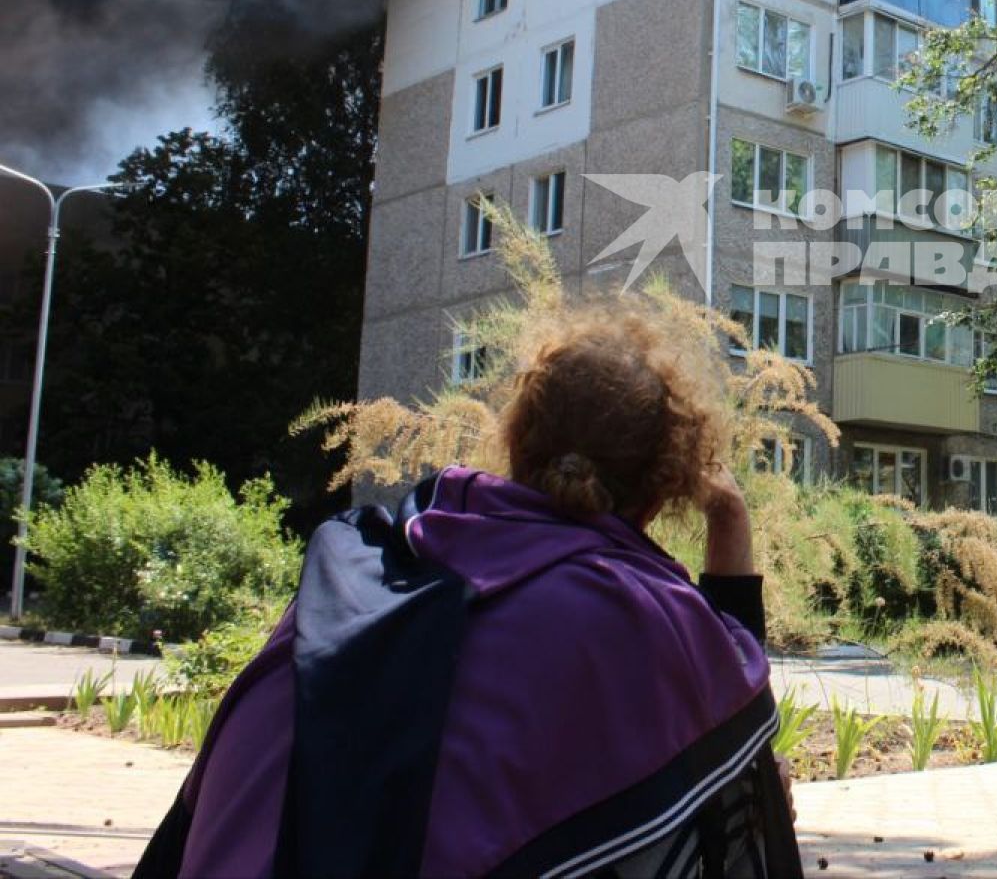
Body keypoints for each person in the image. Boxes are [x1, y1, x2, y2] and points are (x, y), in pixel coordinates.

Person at [134, 302, 804, 877]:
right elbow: (742, 761)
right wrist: (730, 515)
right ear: (665, 488)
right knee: (718, 800)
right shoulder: (631, 612)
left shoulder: (361, 560)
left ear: (512, 440)